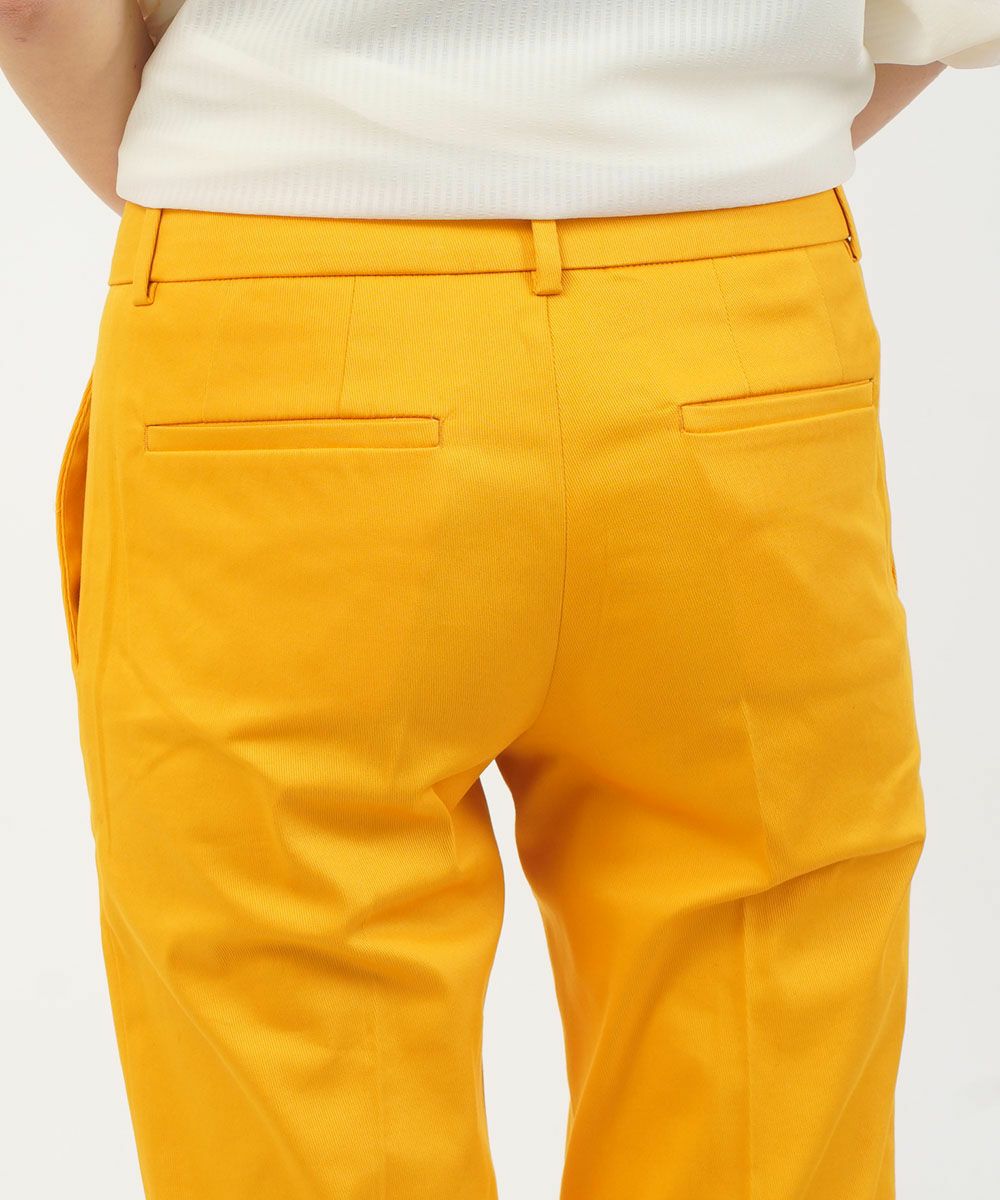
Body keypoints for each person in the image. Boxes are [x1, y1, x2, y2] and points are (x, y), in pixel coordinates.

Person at [2, 3, 997, 1197]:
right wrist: (724, 136)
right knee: (761, 1023)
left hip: (283, 333)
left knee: (297, 1039)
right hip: (739, 340)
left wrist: (216, 164)